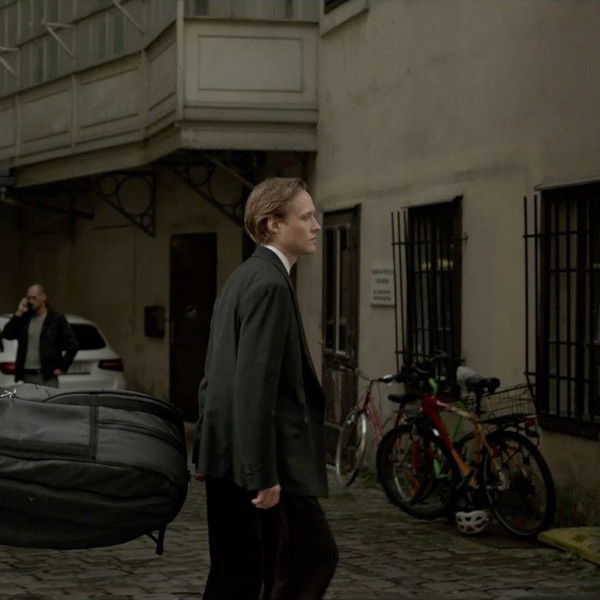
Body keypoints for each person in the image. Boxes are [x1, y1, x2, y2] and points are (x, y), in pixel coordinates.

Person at [194, 177, 338, 600]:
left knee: (237, 574)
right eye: (305, 217)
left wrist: (205, 447)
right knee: (308, 559)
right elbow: (253, 386)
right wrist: (262, 474)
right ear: (272, 224)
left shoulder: (244, 277)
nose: (316, 226)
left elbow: (213, 373)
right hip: (258, 463)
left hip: (230, 456)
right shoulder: (269, 284)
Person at [1, 284, 78, 387]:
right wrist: (19, 313)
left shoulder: (55, 318)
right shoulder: (25, 318)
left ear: (43, 297)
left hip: (47, 376)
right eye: (28, 298)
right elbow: (7, 334)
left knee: (49, 398)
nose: (31, 301)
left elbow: (73, 344)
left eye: (34, 298)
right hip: (27, 375)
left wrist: (62, 367)